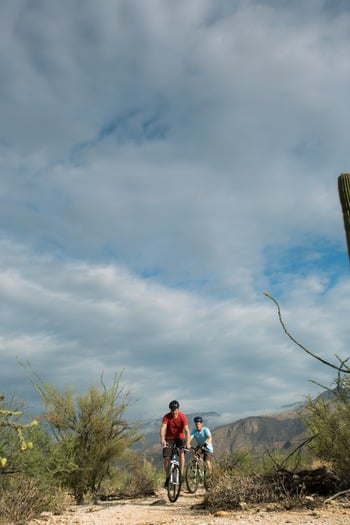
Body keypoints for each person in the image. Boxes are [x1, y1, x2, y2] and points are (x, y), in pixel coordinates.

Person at [160, 400, 191, 487]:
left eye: (176, 409)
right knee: (166, 458)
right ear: (170, 410)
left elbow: (187, 430)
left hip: (180, 438)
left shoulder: (182, 416)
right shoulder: (167, 417)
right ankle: (167, 477)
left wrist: (188, 442)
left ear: (178, 409)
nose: (174, 412)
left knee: (181, 454)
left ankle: (181, 474)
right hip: (169, 439)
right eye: (172, 410)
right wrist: (163, 439)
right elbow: (163, 428)